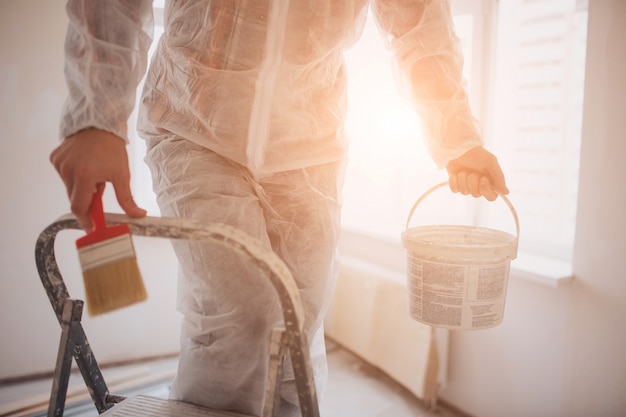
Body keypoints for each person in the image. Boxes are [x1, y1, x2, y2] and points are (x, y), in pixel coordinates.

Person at [51, 1, 509, 416]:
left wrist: (457, 136)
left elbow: (418, 18)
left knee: (297, 324)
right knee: (244, 316)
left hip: (309, 147)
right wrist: (97, 116)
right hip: (196, 124)